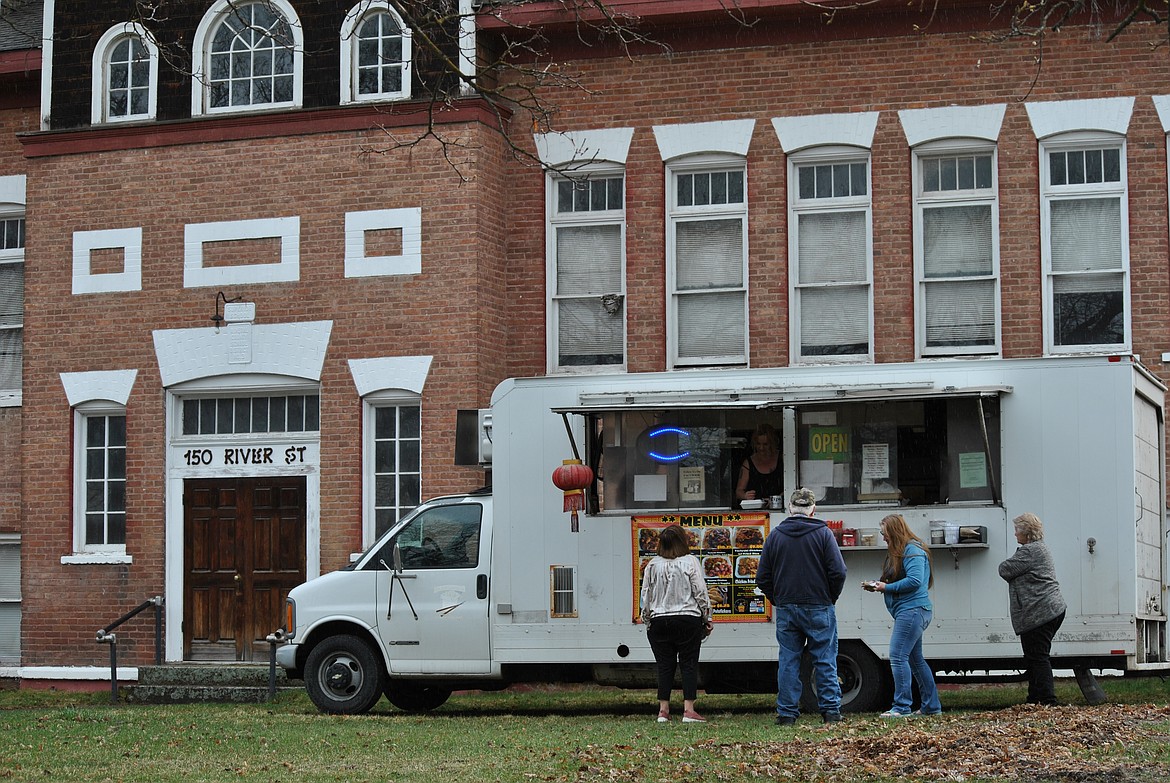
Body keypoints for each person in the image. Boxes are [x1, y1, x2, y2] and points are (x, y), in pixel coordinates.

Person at [755, 487, 847, 725]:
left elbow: (762, 577)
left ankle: (786, 714)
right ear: (813, 510)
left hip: (787, 607)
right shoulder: (824, 534)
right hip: (819, 605)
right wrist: (830, 596)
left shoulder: (775, 536)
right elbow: (838, 572)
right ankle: (831, 713)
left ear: (789, 509)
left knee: (788, 660)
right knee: (825, 659)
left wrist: (777, 598)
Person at [863, 514, 942, 717]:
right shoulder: (901, 551)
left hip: (913, 611)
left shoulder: (912, 550)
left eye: (885, 533)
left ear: (894, 531)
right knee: (916, 660)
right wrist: (879, 585)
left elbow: (915, 581)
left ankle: (901, 707)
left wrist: (886, 588)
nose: (883, 537)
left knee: (898, 657)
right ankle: (931, 707)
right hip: (913, 611)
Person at [640, 524, 714, 723]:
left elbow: (645, 595)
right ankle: (689, 710)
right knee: (689, 664)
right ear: (683, 541)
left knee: (664, 665)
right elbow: (700, 592)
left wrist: (647, 620)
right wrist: (707, 618)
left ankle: (663, 711)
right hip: (687, 619)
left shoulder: (652, 565)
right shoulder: (690, 562)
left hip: (658, 621)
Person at [998, 512, 1067, 706]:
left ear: (1026, 533)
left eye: (1017, 530)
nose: (1014, 534)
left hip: (1040, 611)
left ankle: (1046, 699)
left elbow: (1004, 569)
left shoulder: (1029, 552)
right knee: (1035, 655)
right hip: (1050, 609)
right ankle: (1035, 698)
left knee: (1037, 657)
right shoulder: (1039, 549)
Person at [736, 423, 782, 508]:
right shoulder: (748, 463)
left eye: (765, 444)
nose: (761, 448)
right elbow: (739, 492)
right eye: (758, 444)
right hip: (755, 511)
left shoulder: (782, 459)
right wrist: (745, 496)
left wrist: (777, 499)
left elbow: (790, 488)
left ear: (772, 443)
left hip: (780, 509)